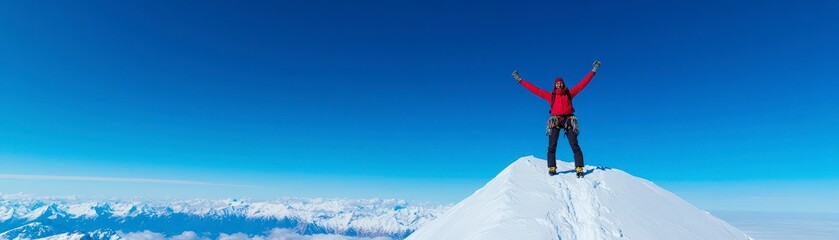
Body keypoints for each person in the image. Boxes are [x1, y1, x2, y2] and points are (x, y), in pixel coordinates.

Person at [513, 60, 601, 177]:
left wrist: (593, 71)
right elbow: (535, 90)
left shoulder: (569, 93)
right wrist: (520, 80)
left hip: (569, 120)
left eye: (560, 83)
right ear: (555, 85)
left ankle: (579, 167)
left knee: (574, 144)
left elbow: (582, 84)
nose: (559, 84)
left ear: (563, 84)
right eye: (557, 83)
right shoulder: (551, 96)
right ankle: (552, 167)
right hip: (555, 120)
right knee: (552, 145)